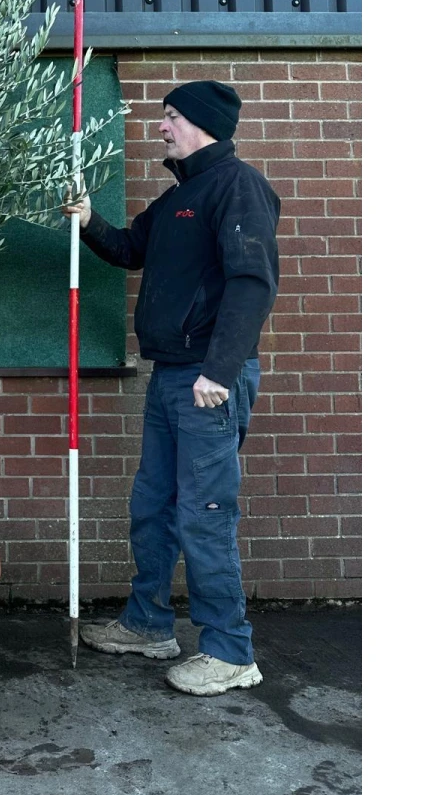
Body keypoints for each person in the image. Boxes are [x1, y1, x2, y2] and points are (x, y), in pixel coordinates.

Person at [62, 79, 281, 696]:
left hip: (206, 382)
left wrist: (220, 369)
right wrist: (87, 221)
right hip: (170, 379)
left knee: (204, 513)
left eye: (172, 116)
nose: (161, 126)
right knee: (152, 506)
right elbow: (131, 248)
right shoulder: (180, 197)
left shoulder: (238, 188)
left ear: (205, 124)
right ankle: (149, 624)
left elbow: (251, 284)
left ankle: (231, 652)